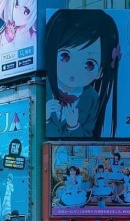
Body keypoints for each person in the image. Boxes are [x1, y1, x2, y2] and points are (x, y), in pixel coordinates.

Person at [45, 9, 121, 138]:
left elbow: (87, 136)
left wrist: (73, 125)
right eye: (65, 56)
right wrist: (45, 118)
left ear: (100, 72)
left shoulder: (91, 97)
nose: (73, 69)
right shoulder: (44, 89)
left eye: (89, 64)